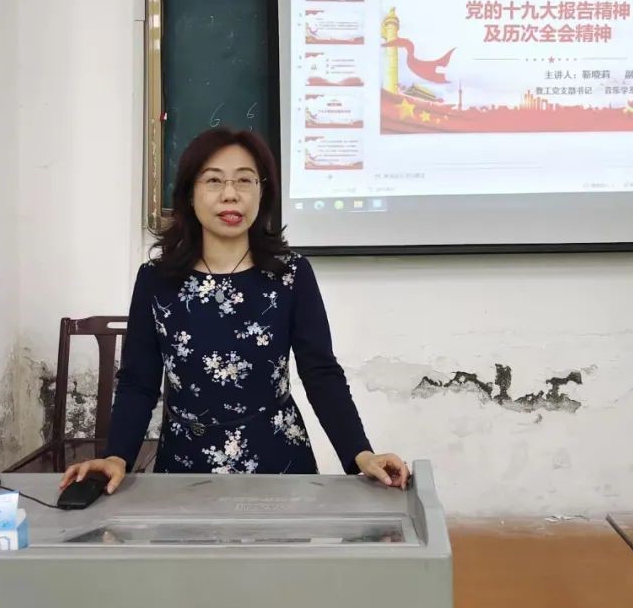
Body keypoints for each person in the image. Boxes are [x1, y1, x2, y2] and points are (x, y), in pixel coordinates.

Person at [60, 127, 408, 494]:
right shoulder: (157, 280)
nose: (230, 194)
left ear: (262, 192)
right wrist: (117, 456)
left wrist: (360, 453)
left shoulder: (291, 275)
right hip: (184, 467)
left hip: (279, 461)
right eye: (214, 180)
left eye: (244, 180)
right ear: (189, 193)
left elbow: (320, 372)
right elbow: (138, 381)